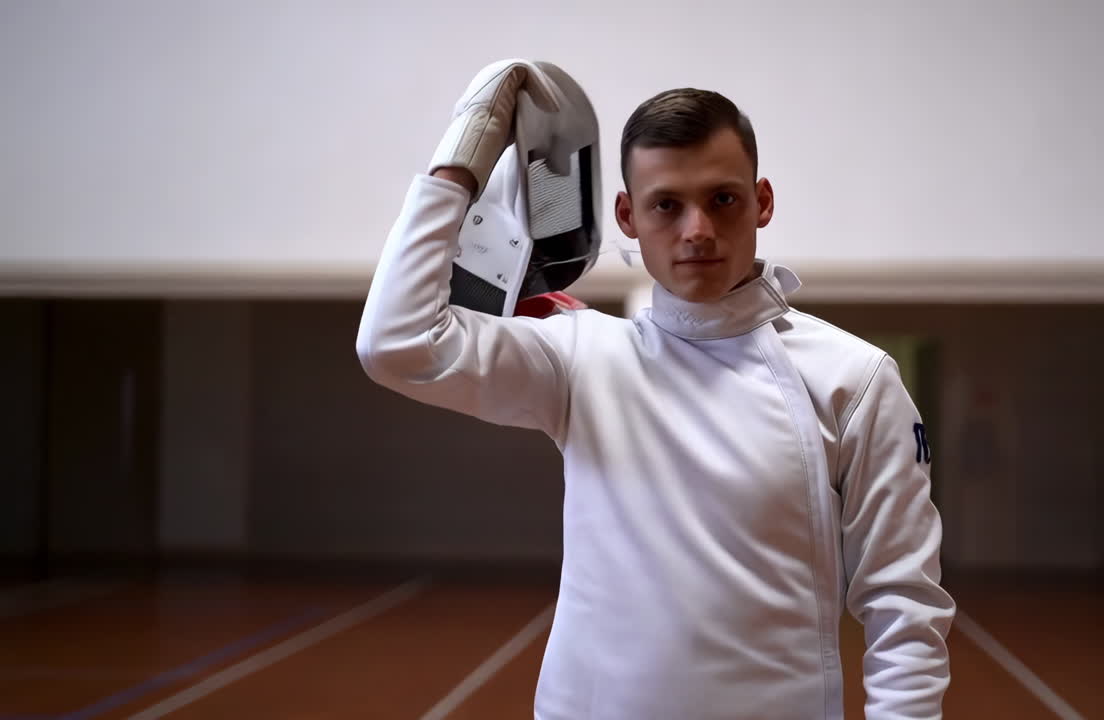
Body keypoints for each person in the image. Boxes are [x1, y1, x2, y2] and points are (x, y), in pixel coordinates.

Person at [357, 61, 954, 720]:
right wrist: (467, 149)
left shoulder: (854, 379)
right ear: (628, 216)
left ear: (761, 201)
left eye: (721, 199)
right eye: (666, 205)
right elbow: (395, 343)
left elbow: (904, 604)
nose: (696, 229)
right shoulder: (581, 358)